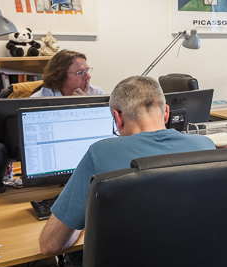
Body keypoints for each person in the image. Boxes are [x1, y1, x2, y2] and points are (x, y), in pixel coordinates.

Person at [39, 76, 216, 255]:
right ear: (166, 113)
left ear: (117, 118)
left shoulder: (100, 153)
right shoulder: (206, 146)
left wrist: (78, 221)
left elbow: (50, 245)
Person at [32, 50, 104, 97]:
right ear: (61, 76)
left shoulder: (97, 94)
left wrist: (86, 103)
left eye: (87, 70)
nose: (88, 76)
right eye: (80, 72)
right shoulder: (39, 99)